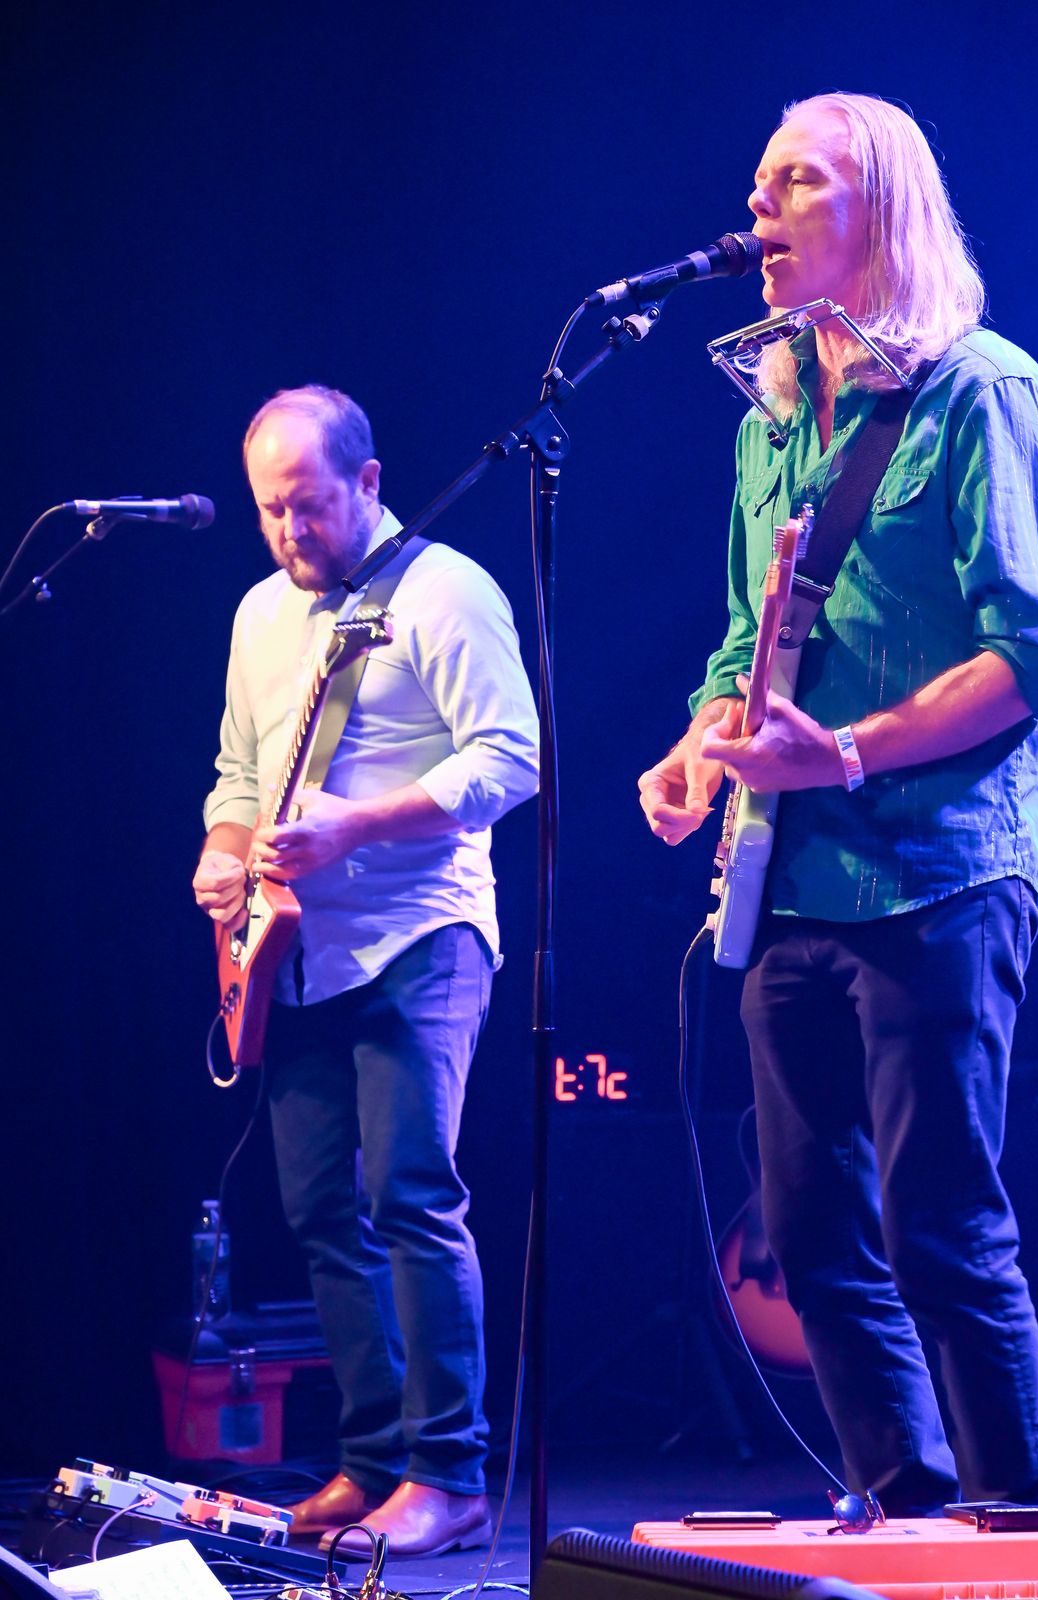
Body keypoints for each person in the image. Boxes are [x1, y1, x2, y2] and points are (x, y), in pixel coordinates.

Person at [638, 94, 1038, 1514]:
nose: (755, 208)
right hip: (787, 878)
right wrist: (699, 744)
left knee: (939, 1222)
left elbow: (1033, 660)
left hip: (939, 871)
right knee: (806, 1233)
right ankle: (908, 1512)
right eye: (755, 182)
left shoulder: (984, 395)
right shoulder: (771, 419)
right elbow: (743, 640)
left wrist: (838, 751)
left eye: (794, 183)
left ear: (877, 207)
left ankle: (1016, 1531)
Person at [193, 385, 538, 1552]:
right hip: (293, 953)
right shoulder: (259, 613)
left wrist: (358, 825)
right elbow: (239, 773)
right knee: (320, 1211)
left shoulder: (444, 591)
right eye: (269, 511)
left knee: (409, 1192)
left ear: (370, 481)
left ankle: (451, 1474)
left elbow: (511, 760)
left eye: (309, 505)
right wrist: (222, 852)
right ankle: (375, 1458)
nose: (290, 531)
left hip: (420, 935)